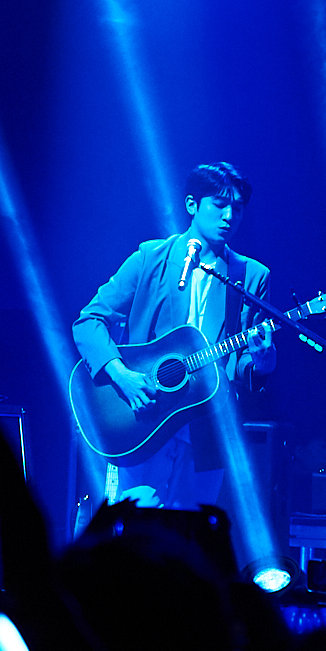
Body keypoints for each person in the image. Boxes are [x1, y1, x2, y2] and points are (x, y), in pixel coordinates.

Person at [73, 162, 275, 510]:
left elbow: (244, 367)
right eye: (219, 205)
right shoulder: (150, 258)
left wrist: (263, 362)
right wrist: (122, 375)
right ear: (192, 205)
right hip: (143, 415)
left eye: (238, 208)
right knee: (137, 529)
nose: (229, 216)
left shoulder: (251, 275)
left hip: (208, 427)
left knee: (190, 534)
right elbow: (89, 321)